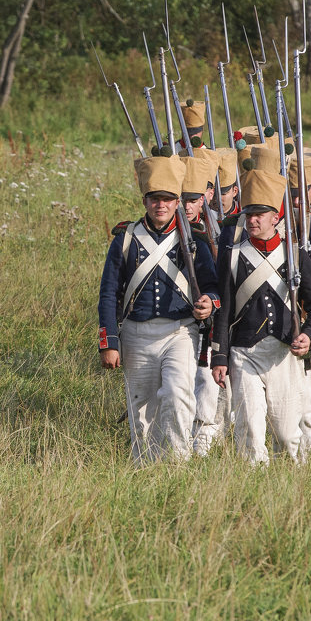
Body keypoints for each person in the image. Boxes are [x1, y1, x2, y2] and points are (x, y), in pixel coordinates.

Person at [99, 155, 219, 464]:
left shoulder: (193, 240)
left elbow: (212, 285)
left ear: (177, 200)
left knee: (178, 397)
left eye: (167, 199)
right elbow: (109, 293)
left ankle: (178, 464)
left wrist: (209, 302)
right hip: (137, 334)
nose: (161, 205)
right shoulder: (126, 239)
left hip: (180, 332)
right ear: (145, 200)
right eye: (155, 199)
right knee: (141, 413)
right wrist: (109, 342)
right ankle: (145, 469)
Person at [209, 166, 311, 464]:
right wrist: (220, 357)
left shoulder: (295, 254)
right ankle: (252, 489)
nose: (252, 219)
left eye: (260, 214)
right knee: (249, 430)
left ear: (276, 217)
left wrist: (310, 334)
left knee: (287, 435)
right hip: (243, 352)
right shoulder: (233, 254)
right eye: (249, 214)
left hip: (283, 351)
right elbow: (223, 309)